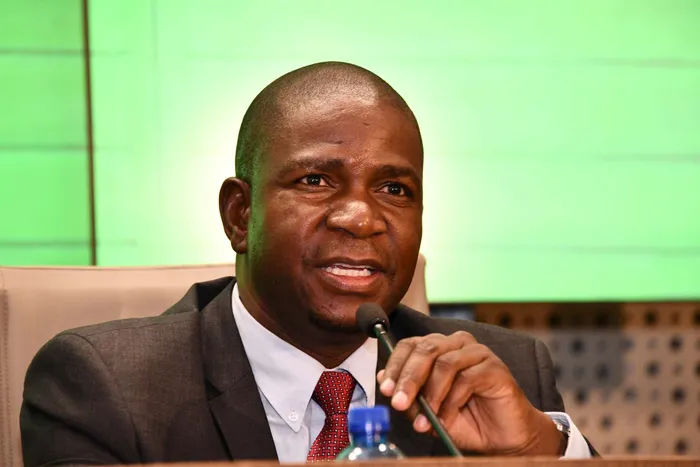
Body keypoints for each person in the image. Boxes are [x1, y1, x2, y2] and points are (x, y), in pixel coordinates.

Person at [21, 62, 594, 466]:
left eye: (394, 189)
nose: (361, 218)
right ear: (240, 215)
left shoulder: (503, 374)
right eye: (316, 180)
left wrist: (536, 450)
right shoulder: (109, 387)